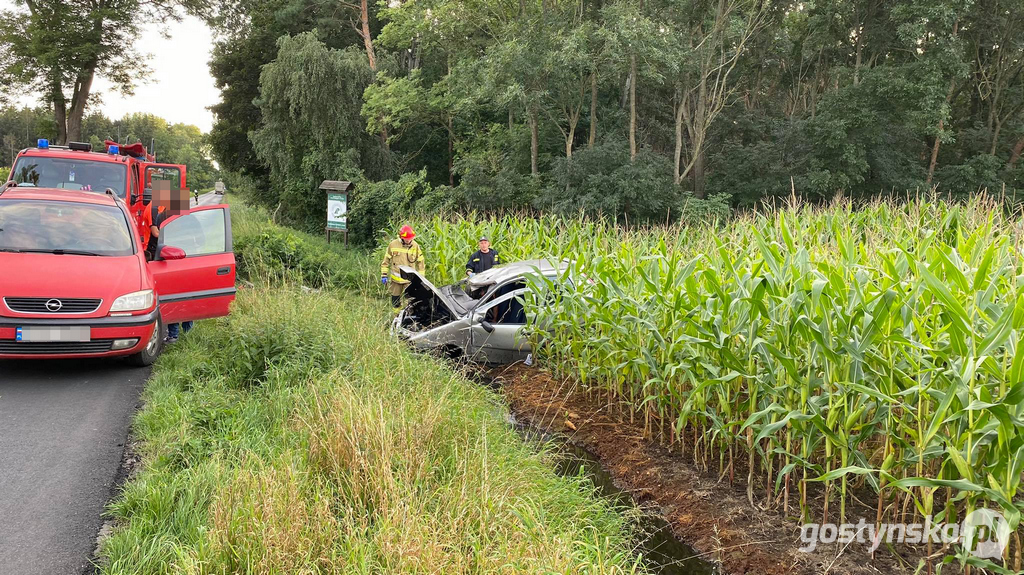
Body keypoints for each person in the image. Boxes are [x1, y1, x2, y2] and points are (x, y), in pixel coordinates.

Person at [146, 180, 193, 343]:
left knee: (175, 296)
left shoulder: (168, 214)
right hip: (175, 260)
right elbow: (160, 238)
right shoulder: (163, 214)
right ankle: (181, 333)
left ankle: (178, 334)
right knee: (182, 295)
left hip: (176, 260)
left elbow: (160, 238)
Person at [380, 225, 425, 313]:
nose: (409, 241)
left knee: (411, 301)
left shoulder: (415, 246)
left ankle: (409, 317)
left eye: (410, 239)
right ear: (401, 237)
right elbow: (386, 261)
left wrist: (421, 278)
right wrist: (384, 275)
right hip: (395, 281)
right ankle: (396, 316)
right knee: (395, 300)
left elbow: (420, 262)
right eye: (406, 239)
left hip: (409, 281)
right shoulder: (393, 245)